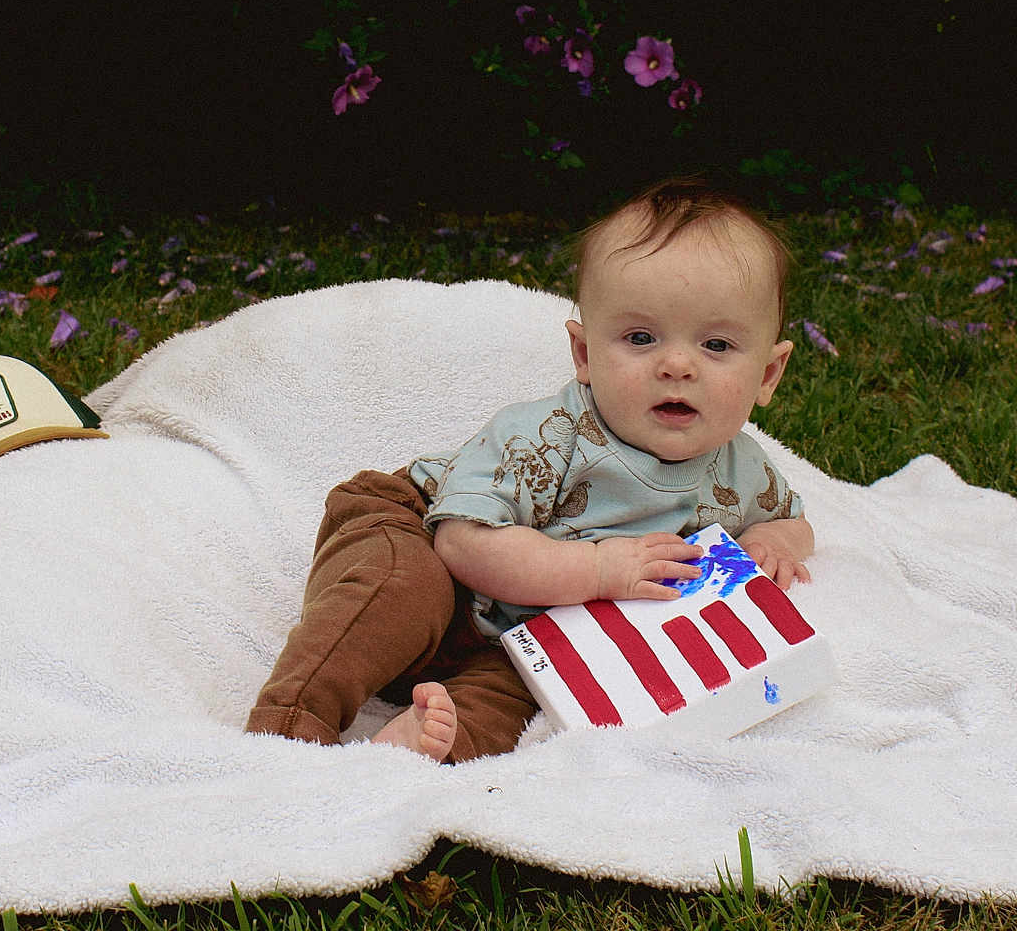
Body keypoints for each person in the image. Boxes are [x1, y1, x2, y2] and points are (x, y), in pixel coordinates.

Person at [245, 177, 813, 764]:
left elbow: (793, 522)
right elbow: (461, 544)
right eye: (640, 338)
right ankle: (288, 732)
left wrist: (771, 539)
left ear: (768, 375)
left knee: (521, 700)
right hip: (421, 535)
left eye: (716, 345)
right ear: (586, 355)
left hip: (519, 638)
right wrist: (597, 570)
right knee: (396, 595)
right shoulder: (549, 437)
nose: (676, 365)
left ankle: (416, 751)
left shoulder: (743, 469)